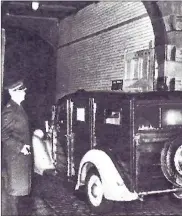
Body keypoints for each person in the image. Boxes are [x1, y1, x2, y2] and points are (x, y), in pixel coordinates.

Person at [1, 79, 32, 216]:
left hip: (20, 162)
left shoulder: (18, 108)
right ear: (15, 92)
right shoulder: (10, 110)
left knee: (17, 198)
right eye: (23, 91)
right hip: (14, 162)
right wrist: (20, 147)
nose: (25, 94)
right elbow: (2, 134)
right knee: (12, 198)